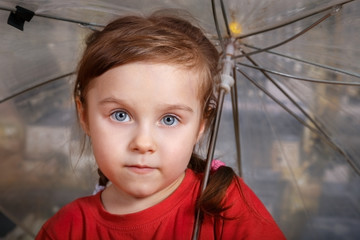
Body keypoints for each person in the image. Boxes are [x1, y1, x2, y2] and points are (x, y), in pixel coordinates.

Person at [36, 10, 286, 240]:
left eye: (169, 119)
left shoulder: (226, 205)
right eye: (120, 115)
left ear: (201, 125)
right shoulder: (63, 231)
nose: (143, 143)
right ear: (84, 116)